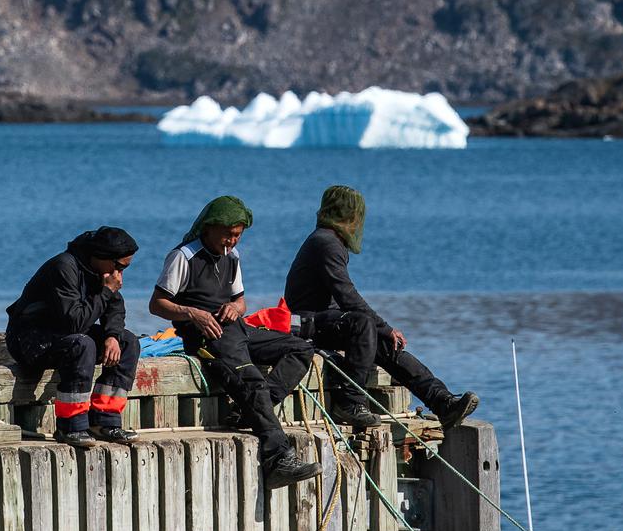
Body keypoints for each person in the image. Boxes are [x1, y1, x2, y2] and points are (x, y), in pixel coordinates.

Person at [148, 196, 321, 490]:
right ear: (209, 227)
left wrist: (236, 308)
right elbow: (157, 304)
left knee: (300, 347)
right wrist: (192, 314)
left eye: (238, 234)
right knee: (250, 380)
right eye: (228, 233)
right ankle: (278, 457)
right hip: (209, 337)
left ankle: (249, 410)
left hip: (239, 330)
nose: (232, 240)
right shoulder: (183, 256)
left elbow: (240, 300)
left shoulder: (233, 256)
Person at [285, 185, 479, 430]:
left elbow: (345, 302)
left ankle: (442, 401)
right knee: (364, 324)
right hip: (305, 324)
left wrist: (383, 333)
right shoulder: (326, 243)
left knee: (386, 344)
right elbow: (348, 296)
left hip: (328, 320)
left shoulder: (328, 241)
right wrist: (384, 327)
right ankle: (350, 402)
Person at [6, 226, 142, 447]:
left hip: (64, 335)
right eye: (118, 266)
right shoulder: (64, 267)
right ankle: (71, 427)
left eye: (125, 268)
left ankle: (105, 422)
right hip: (30, 338)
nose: (119, 274)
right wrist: (106, 291)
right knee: (83, 344)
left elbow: (115, 309)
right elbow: (74, 321)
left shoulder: (101, 273)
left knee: (128, 342)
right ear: (102, 256)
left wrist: (112, 336)